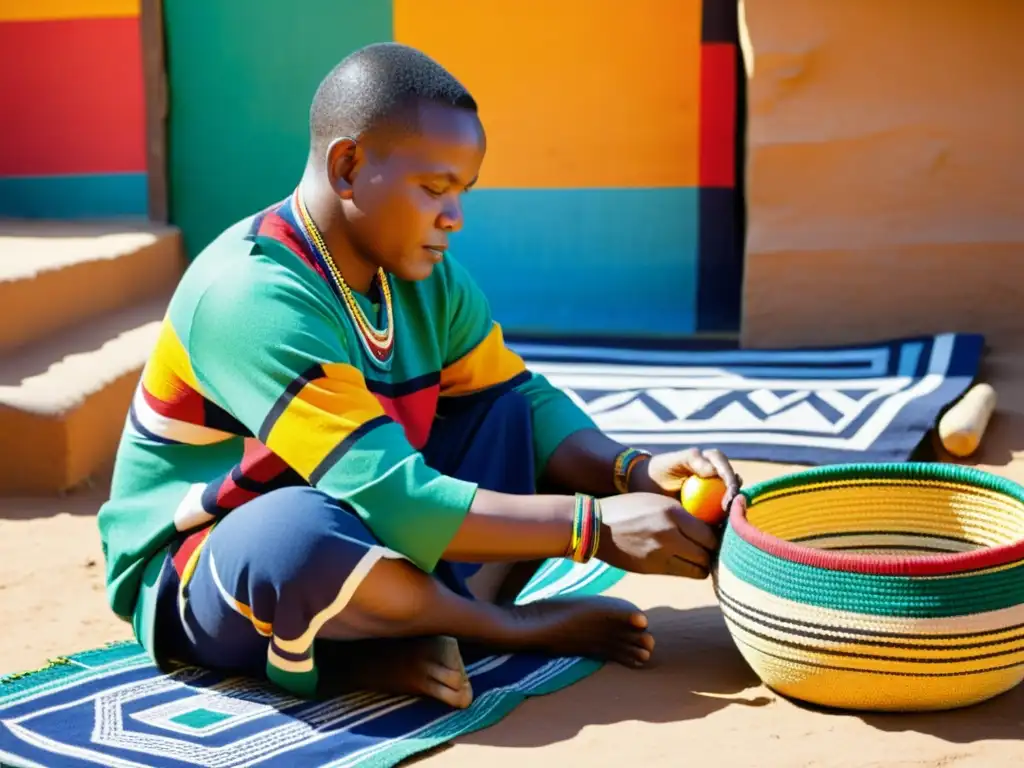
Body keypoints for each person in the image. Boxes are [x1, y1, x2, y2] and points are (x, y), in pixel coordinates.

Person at [97, 42, 742, 710]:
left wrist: (630, 471)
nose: (454, 217)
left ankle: (408, 630)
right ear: (348, 166)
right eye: (434, 189)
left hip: (364, 525)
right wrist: (595, 528)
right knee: (293, 537)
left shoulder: (422, 277)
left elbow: (524, 403)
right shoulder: (249, 295)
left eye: (462, 192)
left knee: (508, 417)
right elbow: (400, 499)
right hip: (208, 571)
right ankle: (491, 625)